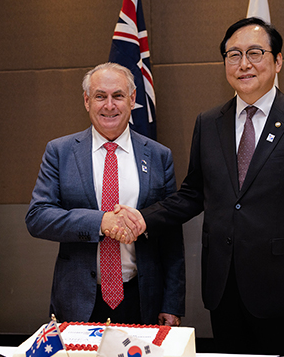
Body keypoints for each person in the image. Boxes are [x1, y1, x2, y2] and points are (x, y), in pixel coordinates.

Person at [112, 18, 284, 354]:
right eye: (233, 55)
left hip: (282, 288)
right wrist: (144, 218)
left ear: (278, 61)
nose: (244, 64)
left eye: (255, 53)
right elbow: (193, 193)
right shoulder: (208, 122)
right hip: (223, 286)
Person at [25, 62, 185, 326]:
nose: (109, 105)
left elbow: (170, 234)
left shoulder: (158, 156)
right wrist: (101, 222)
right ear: (87, 101)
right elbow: (38, 217)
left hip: (142, 297)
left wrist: (172, 303)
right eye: (100, 96)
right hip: (78, 299)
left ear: (132, 99)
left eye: (118, 96)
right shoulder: (60, 152)